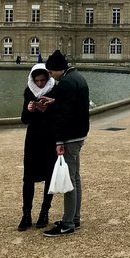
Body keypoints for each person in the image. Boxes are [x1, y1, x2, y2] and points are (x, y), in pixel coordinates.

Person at [41, 50, 90, 237]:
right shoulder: (77, 78)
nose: (51, 76)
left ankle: (68, 223)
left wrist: (59, 140)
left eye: (51, 72)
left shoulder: (66, 83)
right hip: (79, 134)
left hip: (69, 137)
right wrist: (56, 100)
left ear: (58, 69)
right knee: (75, 177)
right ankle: (74, 217)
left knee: (69, 180)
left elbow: (63, 116)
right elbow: (73, 105)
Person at [18, 64, 58, 231]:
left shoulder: (55, 91)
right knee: (28, 178)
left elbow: (59, 116)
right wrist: (29, 110)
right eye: (37, 81)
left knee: (49, 176)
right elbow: (24, 120)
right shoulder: (29, 91)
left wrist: (49, 109)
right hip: (33, 139)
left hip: (50, 138)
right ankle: (26, 214)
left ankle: (44, 212)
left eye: (43, 80)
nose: (40, 84)